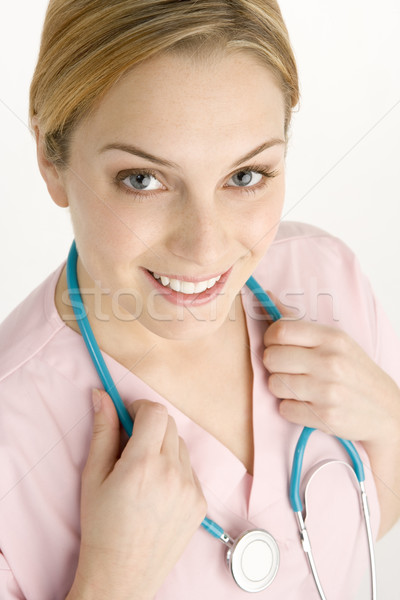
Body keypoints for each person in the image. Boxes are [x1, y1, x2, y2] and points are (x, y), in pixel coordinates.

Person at [0, 0, 399, 598]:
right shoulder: (12, 434)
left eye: (245, 177)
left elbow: (353, 541)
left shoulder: (329, 278)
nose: (205, 248)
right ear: (51, 160)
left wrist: (391, 424)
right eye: (143, 180)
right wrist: (111, 582)